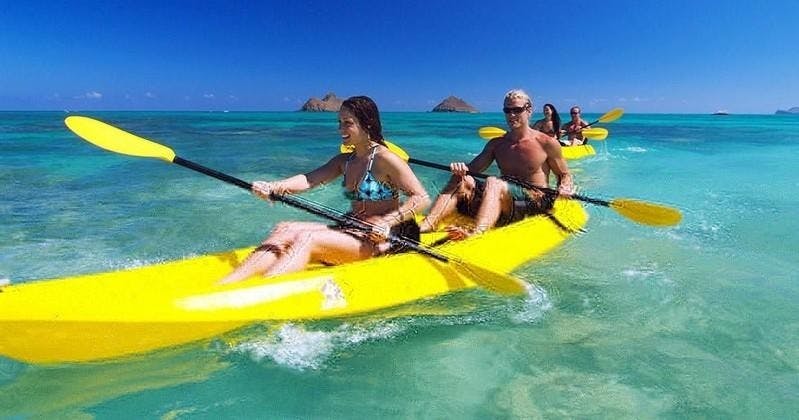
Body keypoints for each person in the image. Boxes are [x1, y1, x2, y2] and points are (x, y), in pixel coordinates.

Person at [219, 96, 430, 284]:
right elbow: (308, 180)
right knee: (284, 229)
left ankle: (263, 290)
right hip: (349, 229)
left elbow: (421, 198)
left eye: (348, 123)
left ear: (368, 124)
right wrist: (273, 186)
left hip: (376, 241)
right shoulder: (345, 161)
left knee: (308, 238)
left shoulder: (386, 159)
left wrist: (387, 222)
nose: (340, 129)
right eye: (339, 123)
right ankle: (226, 285)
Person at [419, 89, 573, 240]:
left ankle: (477, 234)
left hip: (533, 202)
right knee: (462, 179)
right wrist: (460, 169)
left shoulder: (547, 143)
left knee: (493, 182)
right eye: (507, 110)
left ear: (529, 110)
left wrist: (565, 186)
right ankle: (428, 223)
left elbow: (564, 174)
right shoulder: (496, 144)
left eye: (517, 110)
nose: (511, 115)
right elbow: (471, 170)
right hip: (505, 199)